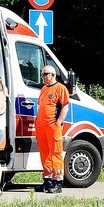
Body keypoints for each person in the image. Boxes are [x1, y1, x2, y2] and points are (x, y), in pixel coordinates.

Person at [36, 65, 70, 193]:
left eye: (45, 74)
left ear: (53, 75)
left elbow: (65, 106)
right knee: (44, 153)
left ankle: (58, 182)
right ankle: (47, 181)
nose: (43, 77)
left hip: (53, 126)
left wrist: (58, 122)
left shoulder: (60, 88)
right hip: (41, 126)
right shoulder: (44, 88)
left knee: (55, 153)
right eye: (42, 74)